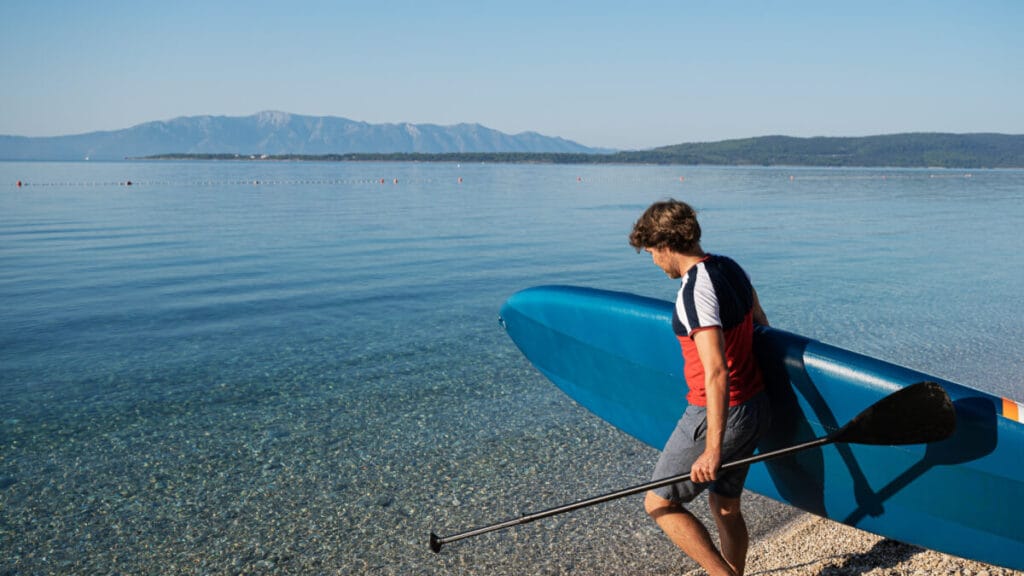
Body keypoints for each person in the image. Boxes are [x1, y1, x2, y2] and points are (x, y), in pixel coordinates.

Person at [628, 199, 771, 576]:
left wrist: (711, 450)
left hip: (716, 413)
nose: (654, 262)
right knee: (725, 506)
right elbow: (761, 324)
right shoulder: (730, 267)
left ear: (665, 245)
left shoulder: (694, 292)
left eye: (651, 253)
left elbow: (717, 371)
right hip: (754, 403)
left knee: (659, 504)